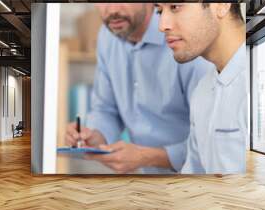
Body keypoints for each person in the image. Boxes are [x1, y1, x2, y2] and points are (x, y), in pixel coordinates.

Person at [65, 3, 214, 174]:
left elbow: (211, 142)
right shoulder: (107, 36)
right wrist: (94, 137)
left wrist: (147, 157)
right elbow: (106, 110)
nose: (112, 10)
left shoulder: (186, 40)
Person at [156, 3, 248, 174]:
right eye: (159, 11)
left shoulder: (259, 85)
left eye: (175, 6)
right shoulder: (202, 91)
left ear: (221, 5)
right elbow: (193, 176)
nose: (162, 25)